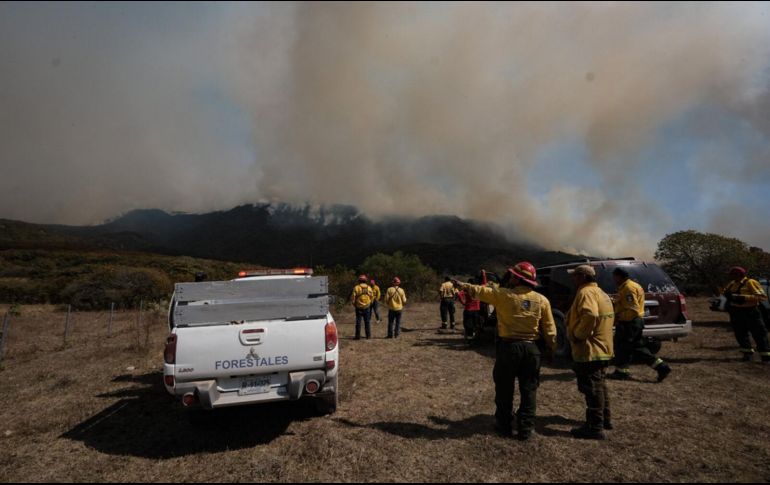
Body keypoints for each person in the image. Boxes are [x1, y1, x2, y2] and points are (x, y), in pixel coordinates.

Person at [456, 262, 557, 441]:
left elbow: (479, 291)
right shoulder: (542, 300)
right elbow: (550, 330)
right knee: (529, 389)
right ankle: (526, 428)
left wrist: (462, 285)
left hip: (508, 348)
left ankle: (504, 426)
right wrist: (551, 349)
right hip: (531, 349)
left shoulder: (503, 295)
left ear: (518, 279)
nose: (509, 278)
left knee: (504, 388)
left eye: (512, 275)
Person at [565, 265, 615, 440]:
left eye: (575, 276)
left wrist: (578, 335)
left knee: (592, 389)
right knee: (600, 386)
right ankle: (605, 419)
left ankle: (594, 427)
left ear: (582, 277)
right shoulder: (602, 293)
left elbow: (590, 315)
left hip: (590, 350)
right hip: (603, 348)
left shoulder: (585, 293)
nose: (573, 279)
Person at [608, 267, 672, 382]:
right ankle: (621, 372)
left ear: (619, 276)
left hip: (629, 323)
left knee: (634, 348)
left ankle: (662, 367)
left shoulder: (628, 288)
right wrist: (616, 301)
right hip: (633, 322)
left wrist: (618, 317)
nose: (613, 279)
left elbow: (633, 309)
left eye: (614, 276)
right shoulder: (632, 285)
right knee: (623, 347)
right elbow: (629, 303)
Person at [722, 266, 770, 363]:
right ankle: (747, 354)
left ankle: (765, 356)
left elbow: (762, 297)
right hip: (736, 312)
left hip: (751, 312)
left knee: (759, 333)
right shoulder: (732, 284)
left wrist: (743, 297)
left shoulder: (750, 282)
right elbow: (725, 292)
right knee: (740, 334)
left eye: (733, 274)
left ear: (739, 274)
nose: (731, 276)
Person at [350, 275, 374, 340]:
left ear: (359, 281)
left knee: (358, 322)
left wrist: (354, 304)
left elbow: (353, 298)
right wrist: (370, 303)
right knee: (367, 322)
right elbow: (372, 297)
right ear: (365, 280)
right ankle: (368, 336)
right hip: (367, 307)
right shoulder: (369, 287)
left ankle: (357, 336)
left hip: (358, 307)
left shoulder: (356, 287)